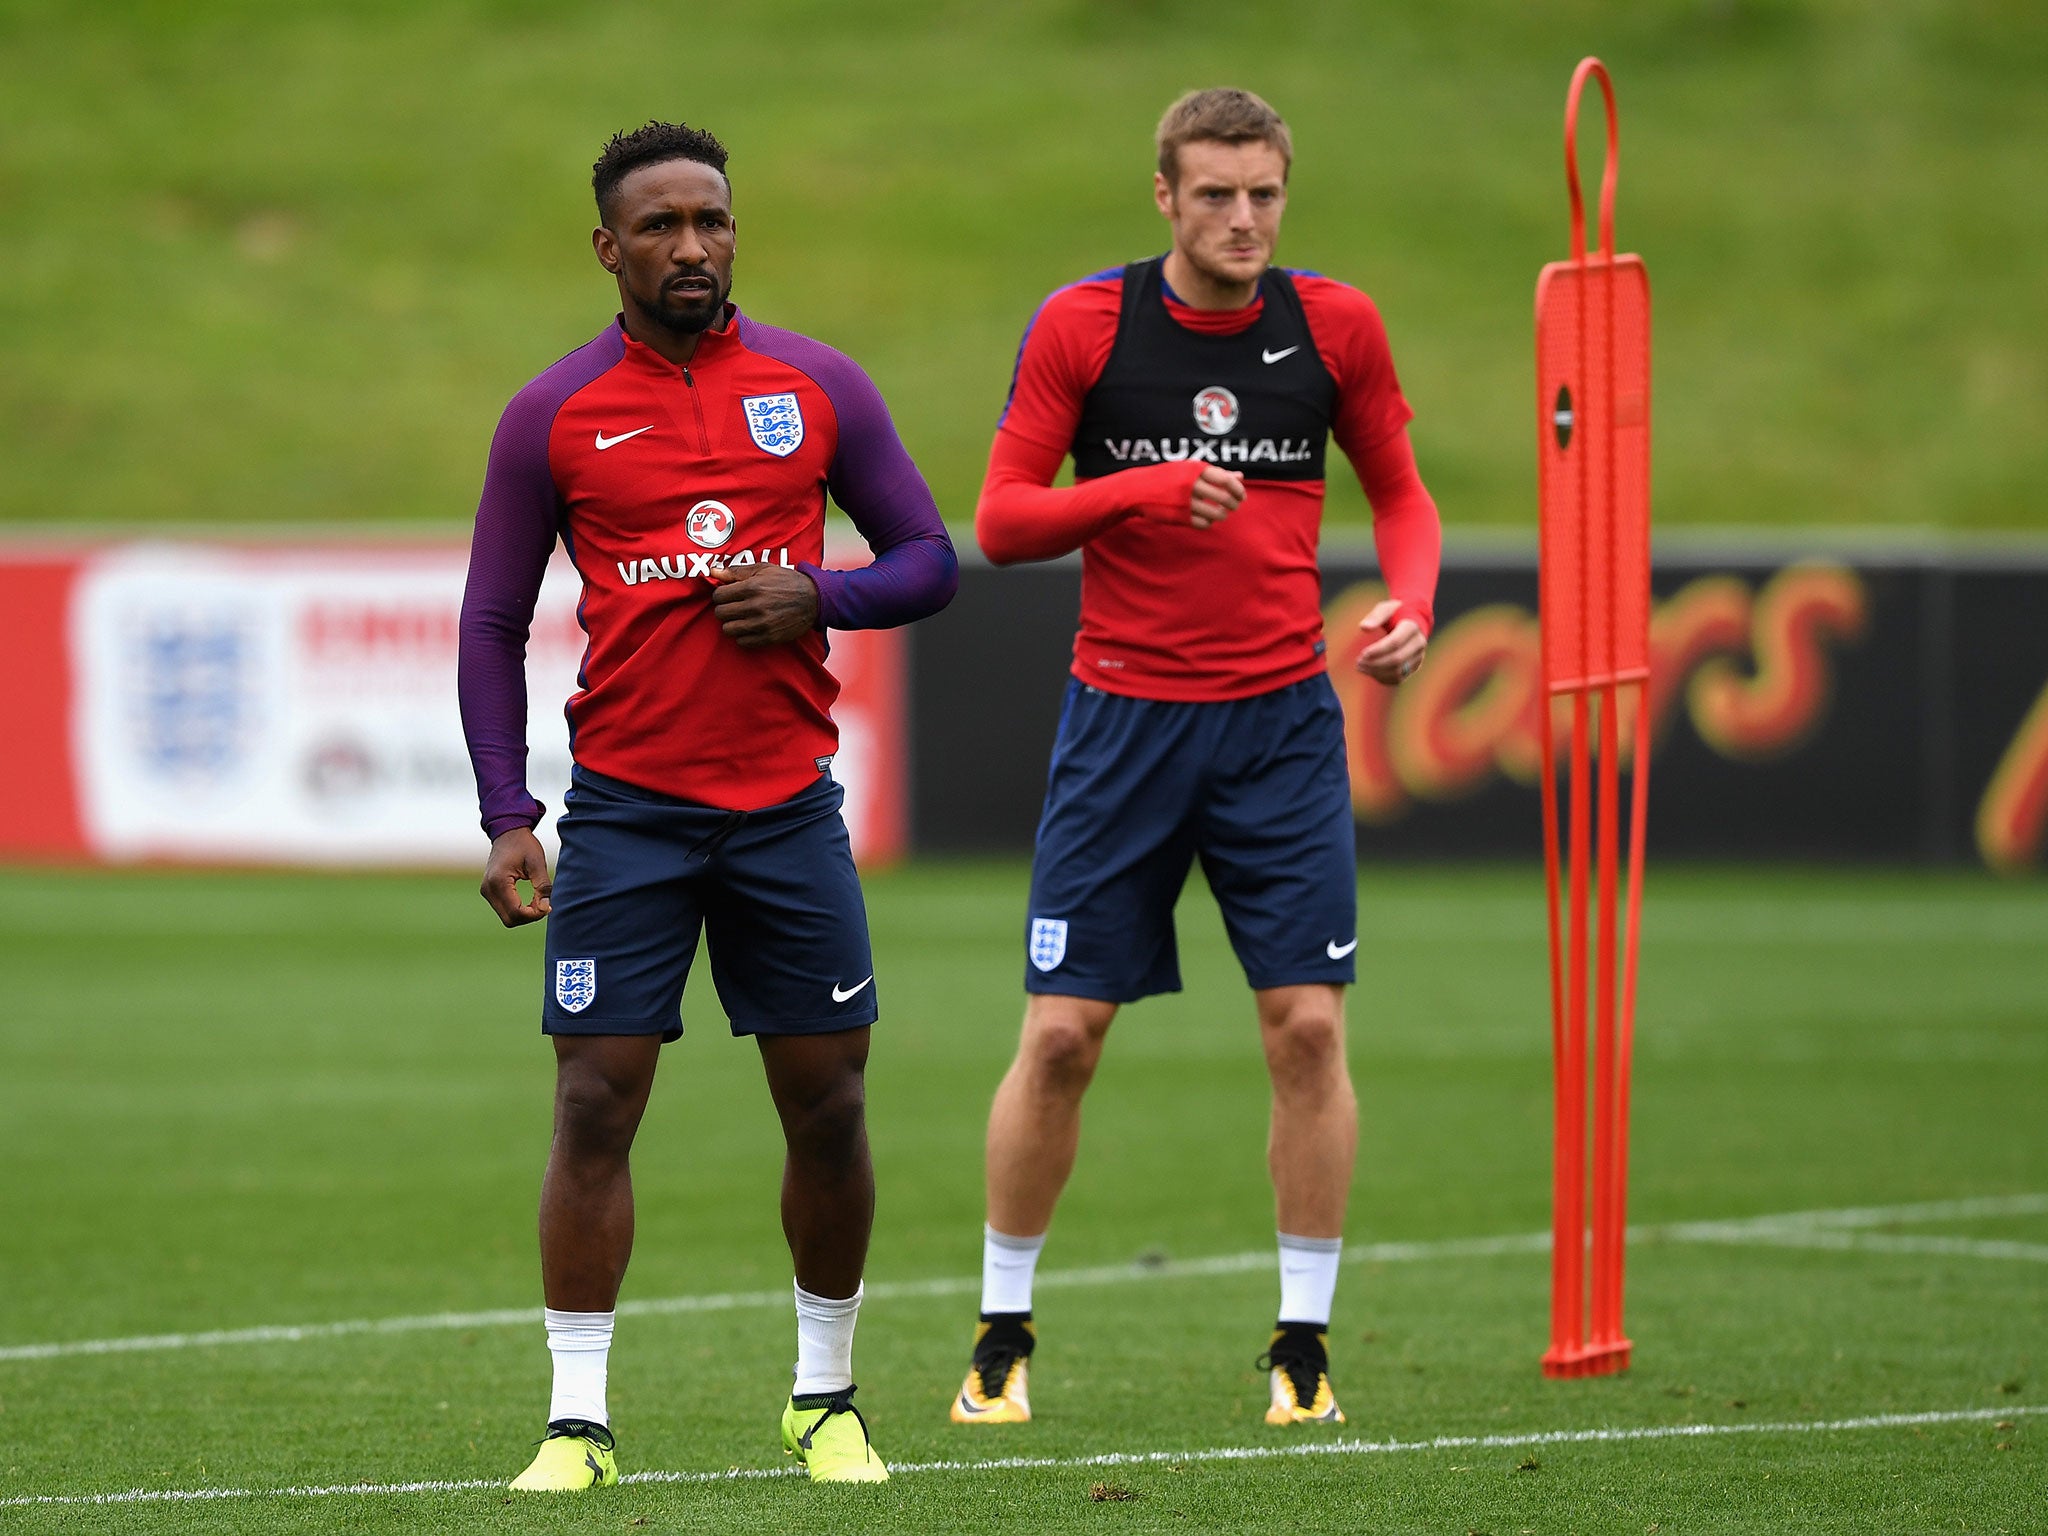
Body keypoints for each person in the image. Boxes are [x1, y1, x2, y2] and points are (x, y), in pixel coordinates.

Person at [458, 120, 956, 1490]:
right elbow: (494, 616)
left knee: (830, 1108)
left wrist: (822, 593)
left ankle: (827, 1397)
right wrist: (510, 810)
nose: (693, 246)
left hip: (788, 810)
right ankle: (575, 1424)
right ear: (608, 247)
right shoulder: (552, 413)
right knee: (594, 1105)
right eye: (663, 225)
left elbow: (929, 559)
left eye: (714, 221)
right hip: (625, 816)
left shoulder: (818, 384)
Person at [952, 88, 1441, 1430]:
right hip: (1122, 726)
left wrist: (1411, 604)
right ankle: (1001, 1333)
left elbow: (1401, 492)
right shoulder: (1085, 325)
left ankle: (1303, 1346)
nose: (1242, 219)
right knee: (1059, 1036)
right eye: (1215, 193)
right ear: (1162, 195)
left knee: (1307, 1025)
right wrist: (1144, 488)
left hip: (1281, 727)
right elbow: (1001, 520)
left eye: (1264, 194)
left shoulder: (1334, 325)